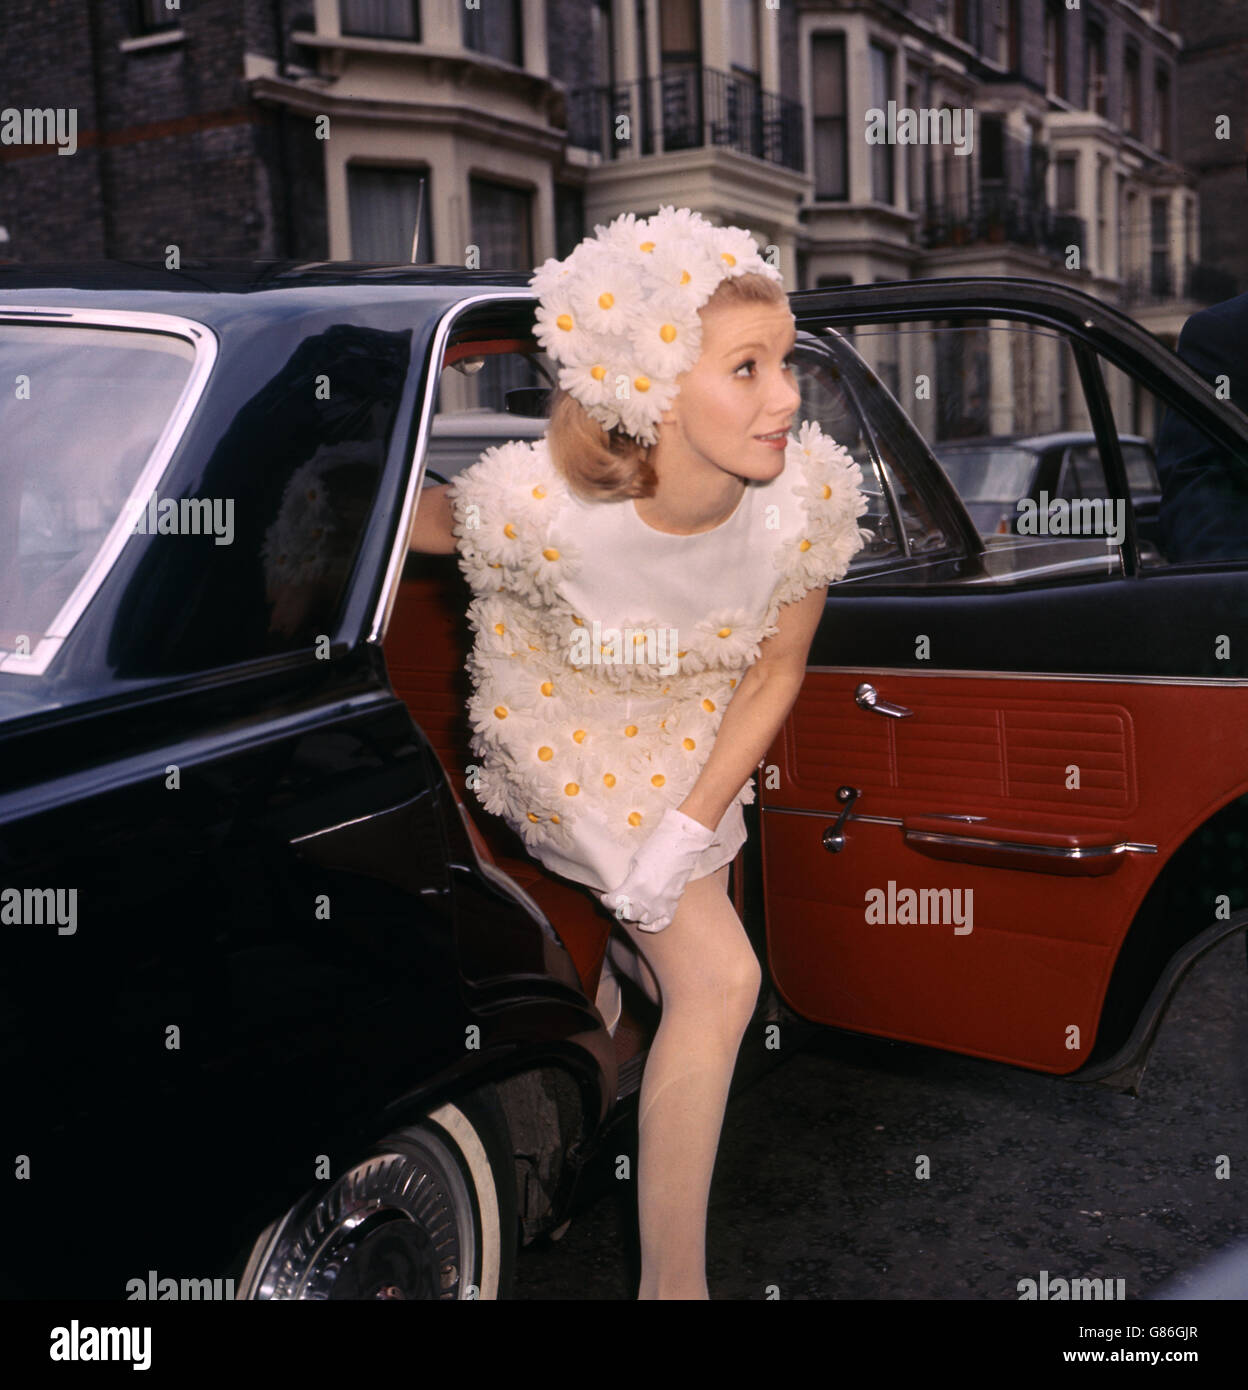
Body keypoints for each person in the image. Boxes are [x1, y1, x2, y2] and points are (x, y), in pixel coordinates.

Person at [409, 205, 871, 1299]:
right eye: (747, 369)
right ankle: (674, 1289)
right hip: (563, 740)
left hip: (699, 739)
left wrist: (688, 818)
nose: (788, 397)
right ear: (648, 388)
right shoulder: (541, 509)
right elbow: (399, 523)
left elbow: (774, 673)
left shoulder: (807, 500)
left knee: (678, 937)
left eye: (787, 360)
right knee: (721, 979)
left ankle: (598, 1030)